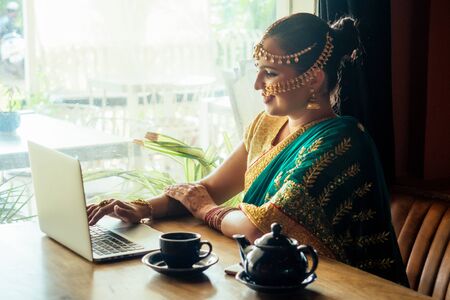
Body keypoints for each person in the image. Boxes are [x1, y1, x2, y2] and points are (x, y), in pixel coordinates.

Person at [87, 13, 408, 285]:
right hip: (275, 281)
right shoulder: (266, 125)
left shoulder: (341, 141)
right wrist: (143, 208)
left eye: (270, 73)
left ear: (314, 79)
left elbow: (260, 232)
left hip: (343, 288)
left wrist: (207, 210)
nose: (257, 84)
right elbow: (208, 188)